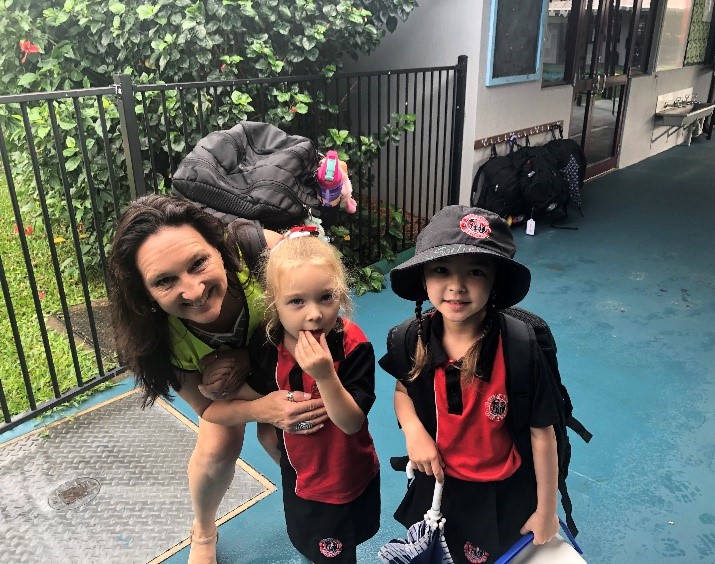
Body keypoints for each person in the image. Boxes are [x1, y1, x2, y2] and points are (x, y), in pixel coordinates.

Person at [108, 194, 328, 564]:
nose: (193, 291)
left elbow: (323, 311)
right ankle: (204, 528)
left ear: (220, 247)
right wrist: (263, 408)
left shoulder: (264, 255)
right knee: (216, 451)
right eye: (164, 281)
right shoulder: (157, 337)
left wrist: (250, 355)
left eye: (198, 263)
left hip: (288, 362)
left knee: (290, 437)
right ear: (144, 293)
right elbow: (207, 408)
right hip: (229, 394)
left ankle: (318, 504)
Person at [378, 205, 561, 563]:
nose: (456, 286)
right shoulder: (411, 338)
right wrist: (414, 433)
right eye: (441, 270)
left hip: (499, 494)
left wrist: (546, 511)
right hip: (438, 486)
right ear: (423, 278)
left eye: (475, 271)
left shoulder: (519, 348)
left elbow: (543, 433)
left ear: (495, 281)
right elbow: (403, 390)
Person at [199, 226, 380, 563]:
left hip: (348, 473)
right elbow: (258, 391)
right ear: (274, 303)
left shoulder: (353, 345)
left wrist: (325, 375)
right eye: (297, 301)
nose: (314, 314)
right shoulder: (269, 344)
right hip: (302, 479)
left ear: (341, 295)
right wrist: (220, 389)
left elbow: (352, 422)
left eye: (326, 297)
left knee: (345, 547)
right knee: (316, 547)